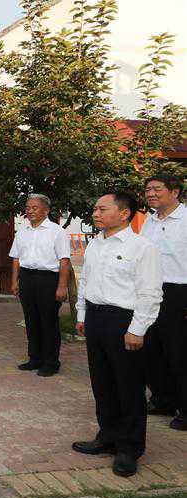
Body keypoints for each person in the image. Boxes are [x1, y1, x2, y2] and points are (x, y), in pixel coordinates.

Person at [73, 192, 162, 478]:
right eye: (95, 208)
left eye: (102, 209)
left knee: (129, 386)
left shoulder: (142, 247)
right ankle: (107, 436)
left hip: (124, 321)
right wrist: (82, 315)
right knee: (102, 382)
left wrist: (137, 329)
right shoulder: (95, 244)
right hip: (97, 318)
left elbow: (150, 292)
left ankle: (129, 447)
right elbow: (85, 281)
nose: (96, 213)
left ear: (124, 213)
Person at [141, 174, 187, 430]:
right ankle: (163, 399)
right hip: (150, 291)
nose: (151, 194)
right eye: (148, 190)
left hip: (178, 293)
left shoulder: (185, 220)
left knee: (179, 353)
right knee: (152, 350)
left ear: (175, 192)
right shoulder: (149, 221)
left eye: (157, 189)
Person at [9, 194, 72, 377]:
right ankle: (34, 358)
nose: (30, 211)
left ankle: (51, 362)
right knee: (31, 320)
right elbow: (16, 259)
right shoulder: (22, 231)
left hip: (48, 279)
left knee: (48, 321)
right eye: (28, 208)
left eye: (35, 208)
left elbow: (64, 261)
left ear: (46, 210)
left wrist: (62, 287)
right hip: (27, 278)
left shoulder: (57, 231)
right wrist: (15, 281)